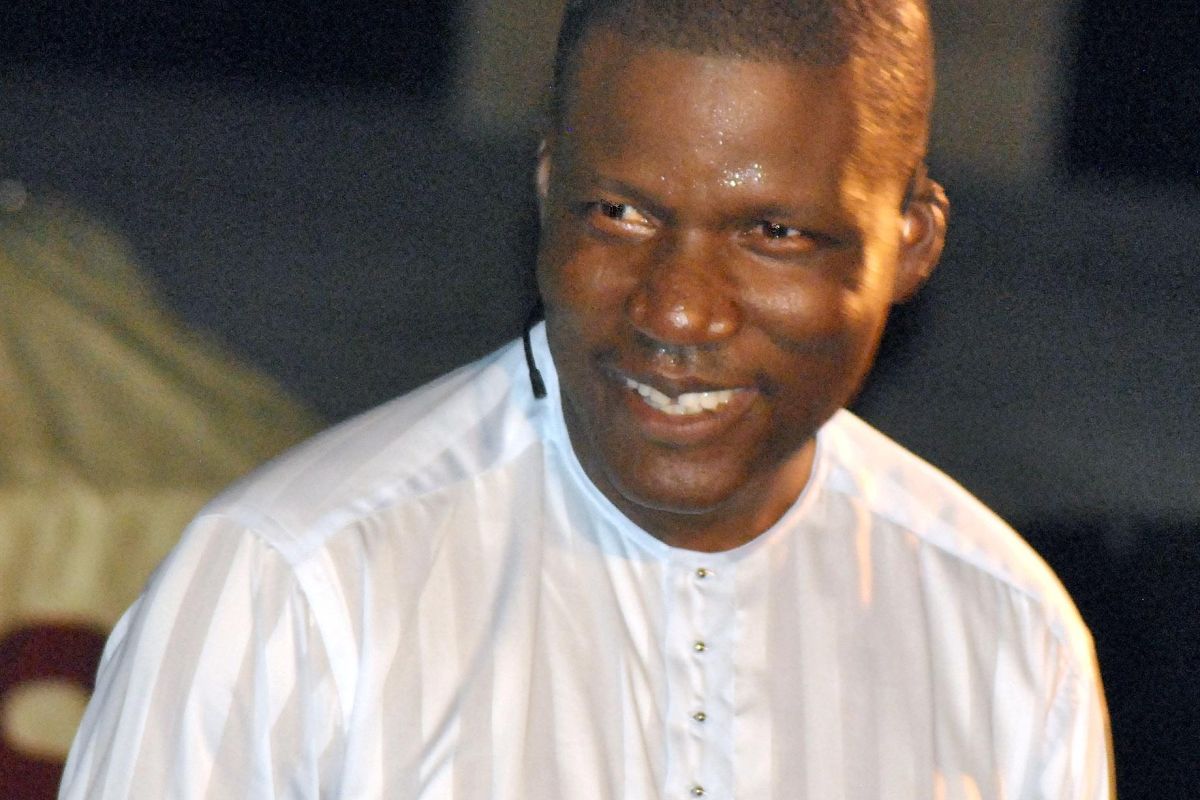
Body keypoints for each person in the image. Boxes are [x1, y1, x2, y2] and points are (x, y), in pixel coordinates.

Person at [60, 0, 1113, 797]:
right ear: (546, 186)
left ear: (910, 244)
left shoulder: (1005, 635)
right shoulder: (292, 588)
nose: (679, 310)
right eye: (619, 213)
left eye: (773, 234)